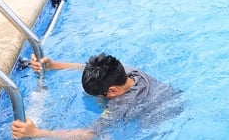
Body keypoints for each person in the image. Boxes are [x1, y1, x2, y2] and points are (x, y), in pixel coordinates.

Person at [10, 53, 180, 139]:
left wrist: (38, 132)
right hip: (172, 95)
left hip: (161, 117)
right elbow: (89, 68)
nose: (101, 97)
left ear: (112, 91)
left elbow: (88, 134)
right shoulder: (129, 72)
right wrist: (55, 65)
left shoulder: (121, 105)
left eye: (101, 95)